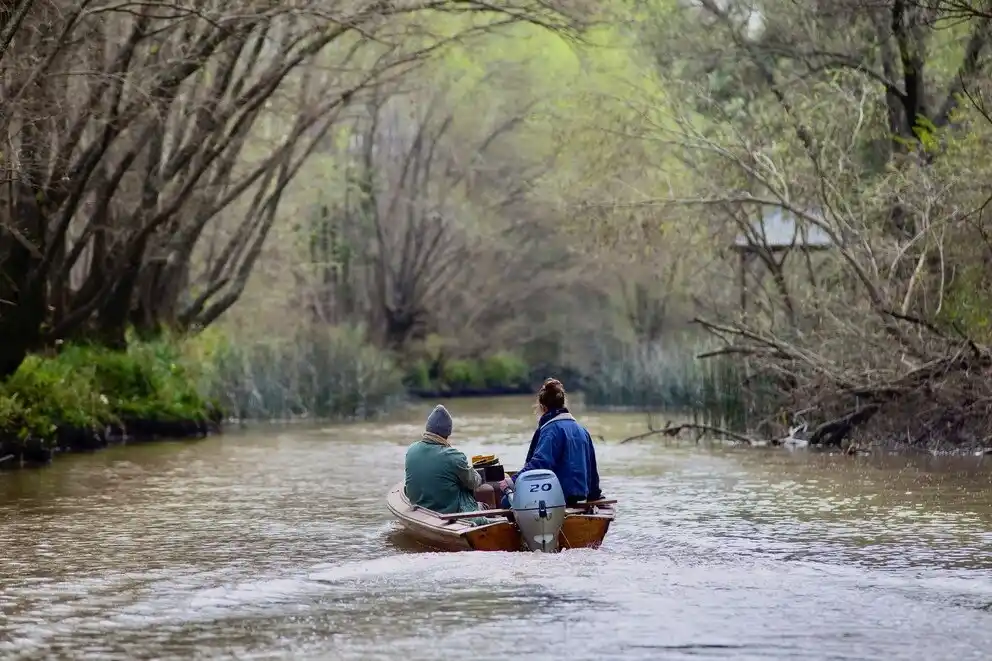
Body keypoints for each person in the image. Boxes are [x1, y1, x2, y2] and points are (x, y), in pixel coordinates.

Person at [498, 378, 603, 508]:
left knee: (504, 501)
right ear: (563, 403)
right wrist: (594, 496)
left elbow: (540, 464)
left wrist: (512, 481)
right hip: (580, 495)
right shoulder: (582, 430)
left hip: (556, 497)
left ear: (543, 406)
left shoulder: (551, 430)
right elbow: (592, 471)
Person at [404, 404, 489, 524]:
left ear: (428, 428)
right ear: (448, 433)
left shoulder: (411, 450)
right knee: (485, 494)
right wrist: (479, 475)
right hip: (446, 512)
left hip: (420, 510)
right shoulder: (453, 456)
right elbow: (473, 482)